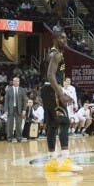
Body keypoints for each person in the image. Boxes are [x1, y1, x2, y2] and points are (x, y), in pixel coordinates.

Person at [40, 29, 78, 172]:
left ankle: (51, 161)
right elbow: (50, 76)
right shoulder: (55, 55)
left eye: (66, 38)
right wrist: (61, 93)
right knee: (64, 122)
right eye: (62, 38)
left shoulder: (53, 54)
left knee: (52, 125)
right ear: (55, 39)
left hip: (47, 90)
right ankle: (65, 160)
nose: (65, 40)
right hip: (52, 90)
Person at [4, 76, 26, 143]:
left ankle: (19, 137)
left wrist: (24, 109)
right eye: (15, 81)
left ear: (19, 82)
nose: (16, 82)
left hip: (19, 108)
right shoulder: (9, 89)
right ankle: (9, 137)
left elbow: (24, 101)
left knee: (18, 124)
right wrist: (6, 110)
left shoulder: (22, 90)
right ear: (13, 82)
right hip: (10, 108)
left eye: (17, 81)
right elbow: (6, 100)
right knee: (10, 124)